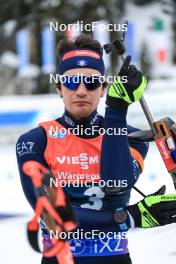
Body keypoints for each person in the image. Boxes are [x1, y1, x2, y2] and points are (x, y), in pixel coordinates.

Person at [16, 34, 176, 264]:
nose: (81, 90)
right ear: (59, 88)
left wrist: (117, 109)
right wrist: (129, 217)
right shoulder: (35, 141)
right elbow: (52, 216)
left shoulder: (133, 137)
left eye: (91, 82)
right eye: (72, 82)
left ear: (104, 88)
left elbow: (116, 183)